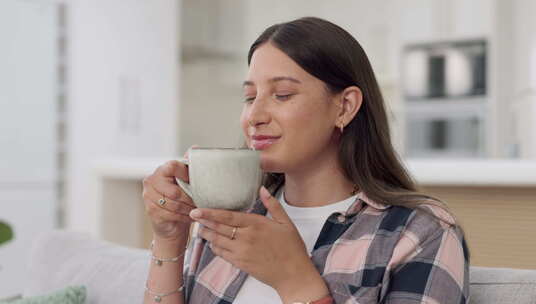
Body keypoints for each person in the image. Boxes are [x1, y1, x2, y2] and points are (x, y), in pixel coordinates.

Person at [142, 17, 469, 304]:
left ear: (344, 107)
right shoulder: (228, 218)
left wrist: (294, 282)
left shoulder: (419, 233)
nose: (254, 116)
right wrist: (171, 238)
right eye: (249, 97)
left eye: (282, 94)